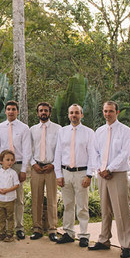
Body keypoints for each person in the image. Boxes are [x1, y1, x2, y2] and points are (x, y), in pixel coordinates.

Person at [89, 101, 130, 258]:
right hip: (102, 175)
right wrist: (100, 169)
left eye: (110, 111)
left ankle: (127, 244)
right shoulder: (99, 131)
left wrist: (110, 169)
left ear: (117, 112)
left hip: (118, 174)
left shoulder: (125, 131)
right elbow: (94, 152)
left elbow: (125, 153)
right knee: (105, 209)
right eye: (105, 111)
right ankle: (104, 239)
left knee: (121, 210)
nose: (107, 114)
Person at [53, 104, 93, 247]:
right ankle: (69, 232)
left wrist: (89, 175)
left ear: (82, 115)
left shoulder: (89, 133)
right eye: (71, 113)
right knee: (68, 204)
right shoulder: (62, 132)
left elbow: (92, 155)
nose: (74, 115)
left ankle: (83, 235)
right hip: (65, 173)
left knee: (82, 206)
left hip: (81, 173)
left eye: (76, 113)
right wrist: (58, 174)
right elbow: (58, 153)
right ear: (68, 115)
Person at [0, 101, 32, 239]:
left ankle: (19, 227)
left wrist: (23, 170)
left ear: (17, 111)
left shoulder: (24, 128)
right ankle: (1, 228)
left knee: (18, 198)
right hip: (2, 166)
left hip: (17, 165)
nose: (10, 112)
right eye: (8, 109)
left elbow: (27, 150)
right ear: (5, 111)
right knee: (2, 198)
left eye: (13, 109)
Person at [28, 102, 61, 240]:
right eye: (41, 110)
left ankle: (52, 229)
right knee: (36, 199)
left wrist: (54, 164)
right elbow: (28, 149)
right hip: (36, 167)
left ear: (50, 113)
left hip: (51, 168)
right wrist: (33, 164)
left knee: (52, 199)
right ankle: (37, 228)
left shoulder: (58, 129)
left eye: (46, 110)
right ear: (37, 113)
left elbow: (60, 149)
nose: (43, 112)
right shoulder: (32, 130)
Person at [0, 150, 20, 242]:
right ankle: (2, 233)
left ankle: (10, 234)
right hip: (0, 199)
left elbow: (16, 185)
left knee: (10, 217)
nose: (10, 162)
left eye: (12, 160)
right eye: (7, 160)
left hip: (10, 199)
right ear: (1, 161)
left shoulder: (13, 173)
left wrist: (7, 190)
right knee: (1, 217)